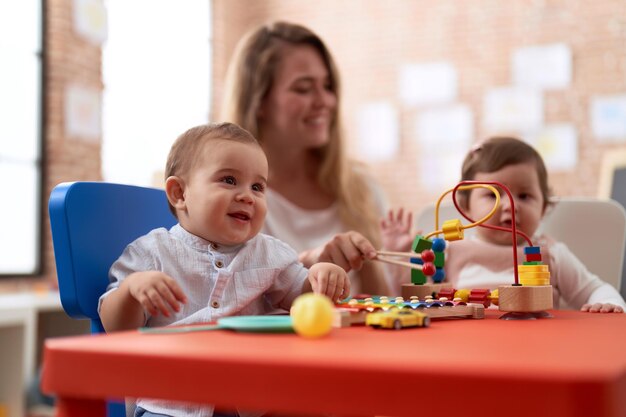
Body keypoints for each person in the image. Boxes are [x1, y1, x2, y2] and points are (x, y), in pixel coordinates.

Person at [99, 122, 350, 417]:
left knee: (335, 403)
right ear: (179, 193)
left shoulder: (268, 252)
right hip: (171, 403)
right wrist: (132, 290)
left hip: (251, 401)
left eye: (258, 187)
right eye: (229, 180)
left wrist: (321, 275)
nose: (247, 195)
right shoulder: (152, 252)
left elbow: (303, 296)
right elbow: (115, 327)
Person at [220, 21, 389, 296]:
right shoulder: (231, 198)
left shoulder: (362, 189)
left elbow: (388, 303)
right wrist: (306, 266)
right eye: (303, 88)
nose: (325, 101)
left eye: (327, 86)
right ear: (258, 101)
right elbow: (221, 297)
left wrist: (368, 263)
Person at [382, 137, 625, 313]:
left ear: (543, 208)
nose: (510, 205)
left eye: (524, 196)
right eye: (493, 195)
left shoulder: (551, 256)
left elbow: (596, 289)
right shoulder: (448, 252)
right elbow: (413, 298)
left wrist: (608, 303)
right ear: (465, 207)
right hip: (465, 352)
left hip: (540, 353)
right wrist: (404, 260)